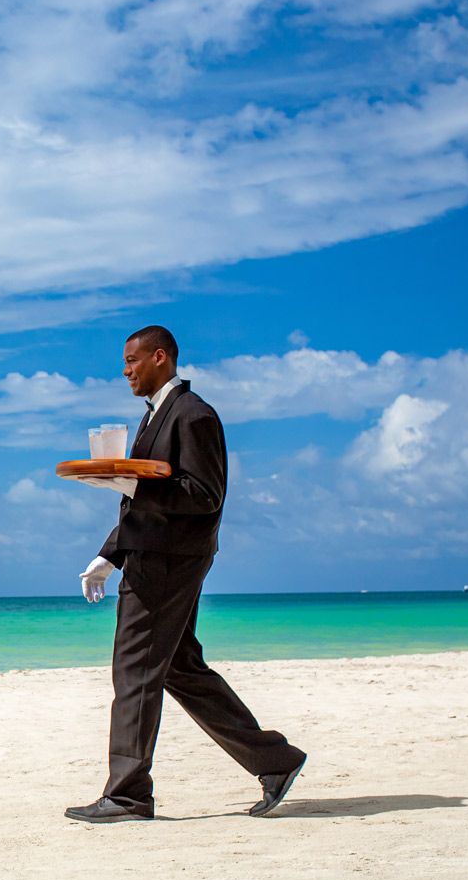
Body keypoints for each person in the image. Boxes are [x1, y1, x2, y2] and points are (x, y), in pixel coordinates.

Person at [69, 325, 307, 823]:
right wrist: (110, 555)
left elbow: (204, 496)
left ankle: (128, 796)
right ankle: (275, 761)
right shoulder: (156, 415)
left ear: (161, 357)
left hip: (169, 563)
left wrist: (129, 485)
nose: (125, 370)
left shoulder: (193, 415)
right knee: (179, 669)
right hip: (152, 555)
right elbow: (145, 501)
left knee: (134, 673)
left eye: (132, 360)